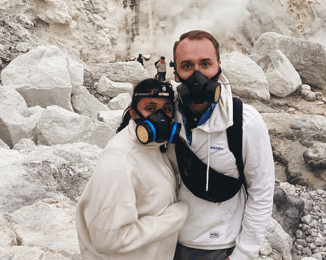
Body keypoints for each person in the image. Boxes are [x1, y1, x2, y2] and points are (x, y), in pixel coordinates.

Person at [168, 30, 275, 260]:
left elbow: (262, 192)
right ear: (176, 74)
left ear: (219, 68)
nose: (197, 75)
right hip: (166, 242)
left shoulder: (245, 122)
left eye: (205, 64)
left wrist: (243, 254)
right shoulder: (166, 113)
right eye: (187, 66)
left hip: (218, 248)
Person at [76, 79, 189, 260]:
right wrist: (176, 216)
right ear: (134, 113)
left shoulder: (153, 148)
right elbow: (108, 239)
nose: (160, 117)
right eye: (150, 109)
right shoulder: (119, 162)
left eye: (166, 109)